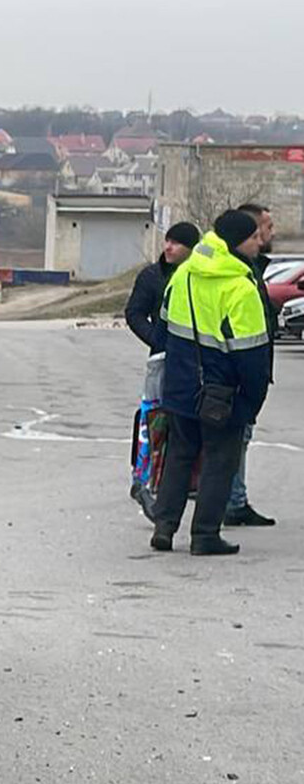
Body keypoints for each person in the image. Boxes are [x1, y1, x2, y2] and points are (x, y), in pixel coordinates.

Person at [149, 210, 272, 556]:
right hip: (221, 393)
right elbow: (252, 356)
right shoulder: (240, 286)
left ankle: (164, 526)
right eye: (253, 238)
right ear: (236, 242)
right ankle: (204, 535)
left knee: (180, 455)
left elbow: (162, 330)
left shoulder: (184, 273)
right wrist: (251, 401)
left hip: (179, 385)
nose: (259, 243)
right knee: (220, 461)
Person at [123, 221, 201, 516]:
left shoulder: (197, 277)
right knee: (152, 416)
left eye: (176, 243)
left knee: (185, 420)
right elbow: (134, 313)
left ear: (191, 249)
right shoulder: (153, 276)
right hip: (163, 359)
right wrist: (156, 339)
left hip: (195, 360)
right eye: (167, 241)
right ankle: (141, 476)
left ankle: (185, 478)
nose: (168, 247)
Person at [224, 203, 277, 527]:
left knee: (241, 438)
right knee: (234, 438)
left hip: (249, 370)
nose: (270, 235)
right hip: (236, 373)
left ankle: (235, 498)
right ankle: (231, 501)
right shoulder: (240, 274)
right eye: (266, 229)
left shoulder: (252, 269)